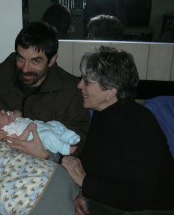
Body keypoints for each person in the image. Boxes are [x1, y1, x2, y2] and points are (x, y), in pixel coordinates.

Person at [62, 46, 174, 214]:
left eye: (86, 81)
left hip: (150, 208)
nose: (79, 85)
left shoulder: (140, 125)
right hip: (116, 201)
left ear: (110, 91)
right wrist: (83, 194)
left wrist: (85, 182)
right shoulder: (102, 113)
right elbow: (93, 163)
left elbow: (136, 197)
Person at [0, 21, 91, 160]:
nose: (25, 68)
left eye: (35, 61)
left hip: (44, 163)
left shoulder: (70, 90)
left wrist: (49, 155)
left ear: (52, 60)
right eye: (21, 58)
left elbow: (80, 136)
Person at [0, 107, 81, 155]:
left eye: (1, 110)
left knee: (54, 124)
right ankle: (64, 148)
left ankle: (69, 137)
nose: (4, 111)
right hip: (37, 137)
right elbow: (19, 141)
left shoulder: (8, 116)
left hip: (40, 125)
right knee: (49, 136)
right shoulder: (7, 132)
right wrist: (27, 130)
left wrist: (15, 114)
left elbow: (19, 112)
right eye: (1, 115)